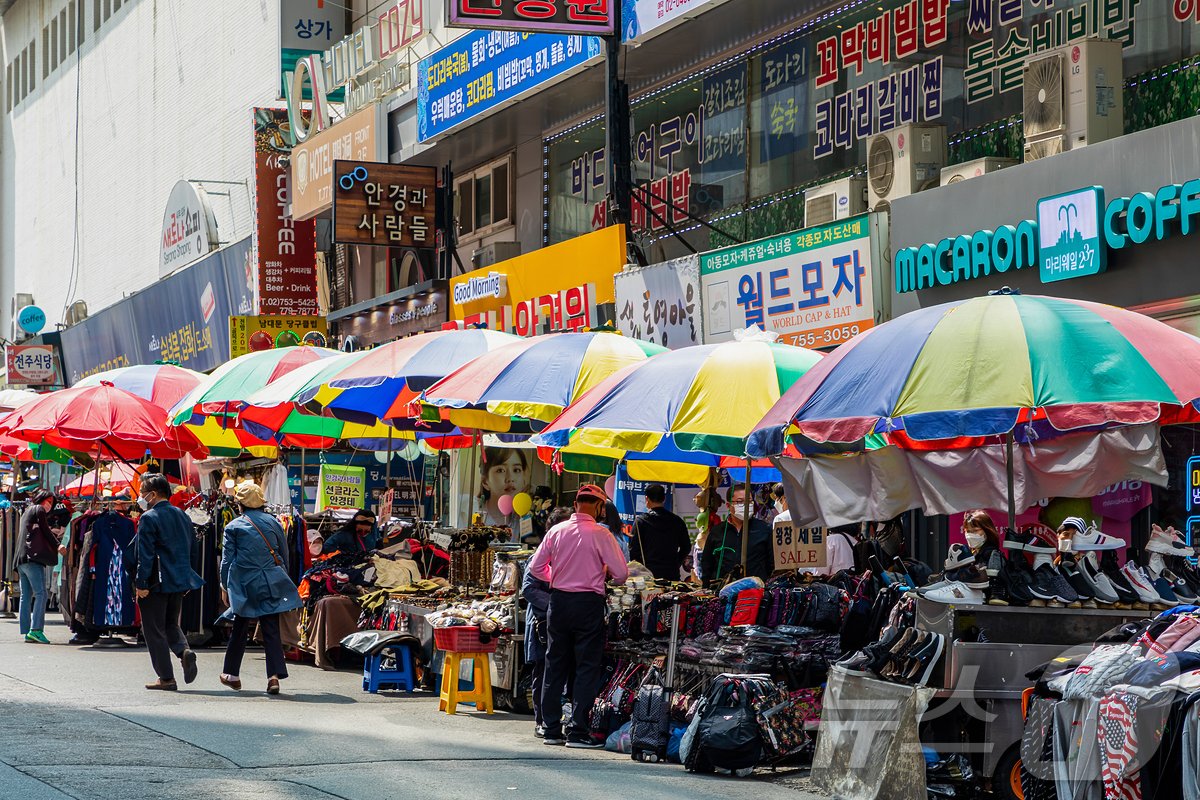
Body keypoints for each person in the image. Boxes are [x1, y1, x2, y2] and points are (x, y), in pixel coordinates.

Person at [529, 484, 628, 748]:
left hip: (559, 602)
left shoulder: (556, 531)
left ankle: (550, 728)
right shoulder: (601, 534)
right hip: (588, 604)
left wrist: (557, 578)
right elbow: (621, 574)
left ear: (575, 505)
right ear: (598, 507)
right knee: (586, 666)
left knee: (555, 664)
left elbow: (536, 568)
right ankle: (578, 732)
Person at [219, 482, 303, 695]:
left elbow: (227, 561)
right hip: (270, 580)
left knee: (240, 626)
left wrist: (224, 585)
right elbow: (284, 554)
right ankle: (273, 677)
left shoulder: (234, 526)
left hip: (245, 583)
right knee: (271, 628)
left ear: (239, 504)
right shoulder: (274, 522)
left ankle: (231, 674)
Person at [134, 473, 204, 691]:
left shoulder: (149, 517)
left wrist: (141, 583)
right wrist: (187, 579)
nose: (141, 497)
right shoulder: (183, 516)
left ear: (153, 494)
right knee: (171, 623)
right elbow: (193, 550)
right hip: (179, 580)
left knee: (153, 629)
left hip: (155, 582)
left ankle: (166, 677)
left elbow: (144, 555)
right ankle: (183, 651)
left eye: (143, 493)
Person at [521, 505, 570, 739]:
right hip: (543, 623)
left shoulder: (570, 555)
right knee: (543, 672)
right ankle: (541, 720)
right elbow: (528, 589)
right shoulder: (539, 555)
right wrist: (556, 605)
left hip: (563, 622)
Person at [699, 483, 772, 583]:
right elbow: (707, 563)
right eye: (740, 502)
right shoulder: (717, 532)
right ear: (729, 505)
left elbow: (771, 563)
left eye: (749, 501)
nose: (746, 505)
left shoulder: (764, 529)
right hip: (723, 591)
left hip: (756, 592)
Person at [15, 490, 61, 643]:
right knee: (41, 594)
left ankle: (27, 630)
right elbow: (45, 530)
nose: (50, 505)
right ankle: (36, 630)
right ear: (42, 500)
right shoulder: (38, 509)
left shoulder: (26, 511)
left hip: (21, 561)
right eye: (48, 501)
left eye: (51, 503)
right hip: (32, 560)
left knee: (26, 596)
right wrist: (58, 545)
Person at [630, 484, 691, 581]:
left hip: (648, 575)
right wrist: (676, 563)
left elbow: (633, 551)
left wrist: (642, 567)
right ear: (664, 499)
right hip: (671, 574)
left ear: (647, 499)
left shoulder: (641, 521)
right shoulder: (677, 521)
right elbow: (686, 547)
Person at [479, 447, 531, 525]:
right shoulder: (469, 511)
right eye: (500, 470)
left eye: (516, 470)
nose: (510, 478)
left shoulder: (529, 516)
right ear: (485, 482)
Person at [690, 488, 723, 582]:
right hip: (706, 544)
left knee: (701, 574)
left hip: (702, 544)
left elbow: (699, 525)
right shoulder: (714, 517)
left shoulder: (703, 515)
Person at [962, 509, 1004, 574]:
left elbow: (994, 582)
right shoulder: (969, 554)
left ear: (987, 531)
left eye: (975, 531)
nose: (970, 535)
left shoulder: (993, 555)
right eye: (968, 531)